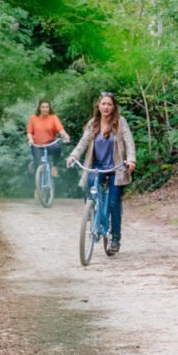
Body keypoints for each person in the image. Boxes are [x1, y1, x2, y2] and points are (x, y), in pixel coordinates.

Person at [67, 91, 137, 254]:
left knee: (113, 203)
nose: (106, 107)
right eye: (103, 104)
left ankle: (115, 239)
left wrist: (131, 159)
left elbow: (129, 142)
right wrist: (73, 155)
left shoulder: (120, 123)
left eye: (109, 104)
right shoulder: (93, 124)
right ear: (98, 106)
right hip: (97, 166)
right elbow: (83, 143)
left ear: (114, 107)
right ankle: (92, 212)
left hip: (116, 168)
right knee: (89, 186)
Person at [27, 99, 70, 176]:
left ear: (49, 108)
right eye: (43, 107)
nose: (45, 109)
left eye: (47, 107)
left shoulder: (53, 118)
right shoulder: (33, 118)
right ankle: (37, 187)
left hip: (50, 144)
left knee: (57, 148)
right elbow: (29, 132)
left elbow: (60, 129)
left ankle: (54, 167)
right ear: (39, 108)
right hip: (37, 145)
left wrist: (65, 135)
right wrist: (30, 139)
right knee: (38, 167)